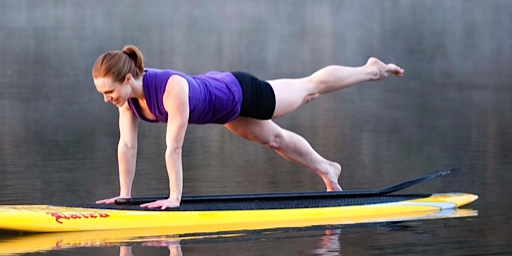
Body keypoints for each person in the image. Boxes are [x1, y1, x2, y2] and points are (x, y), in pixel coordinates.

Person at [91, 45, 404, 209]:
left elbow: (173, 148)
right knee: (275, 140)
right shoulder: (128, 100)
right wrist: (125, 197)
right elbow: (127, 146)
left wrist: (175, 198)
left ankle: (371, 70)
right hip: (222, 109)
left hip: (239, 92)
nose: (107, 99)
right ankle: (328, 169)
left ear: (128, 79)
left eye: (109, 92)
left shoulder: (171, 89)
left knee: (309, 89)